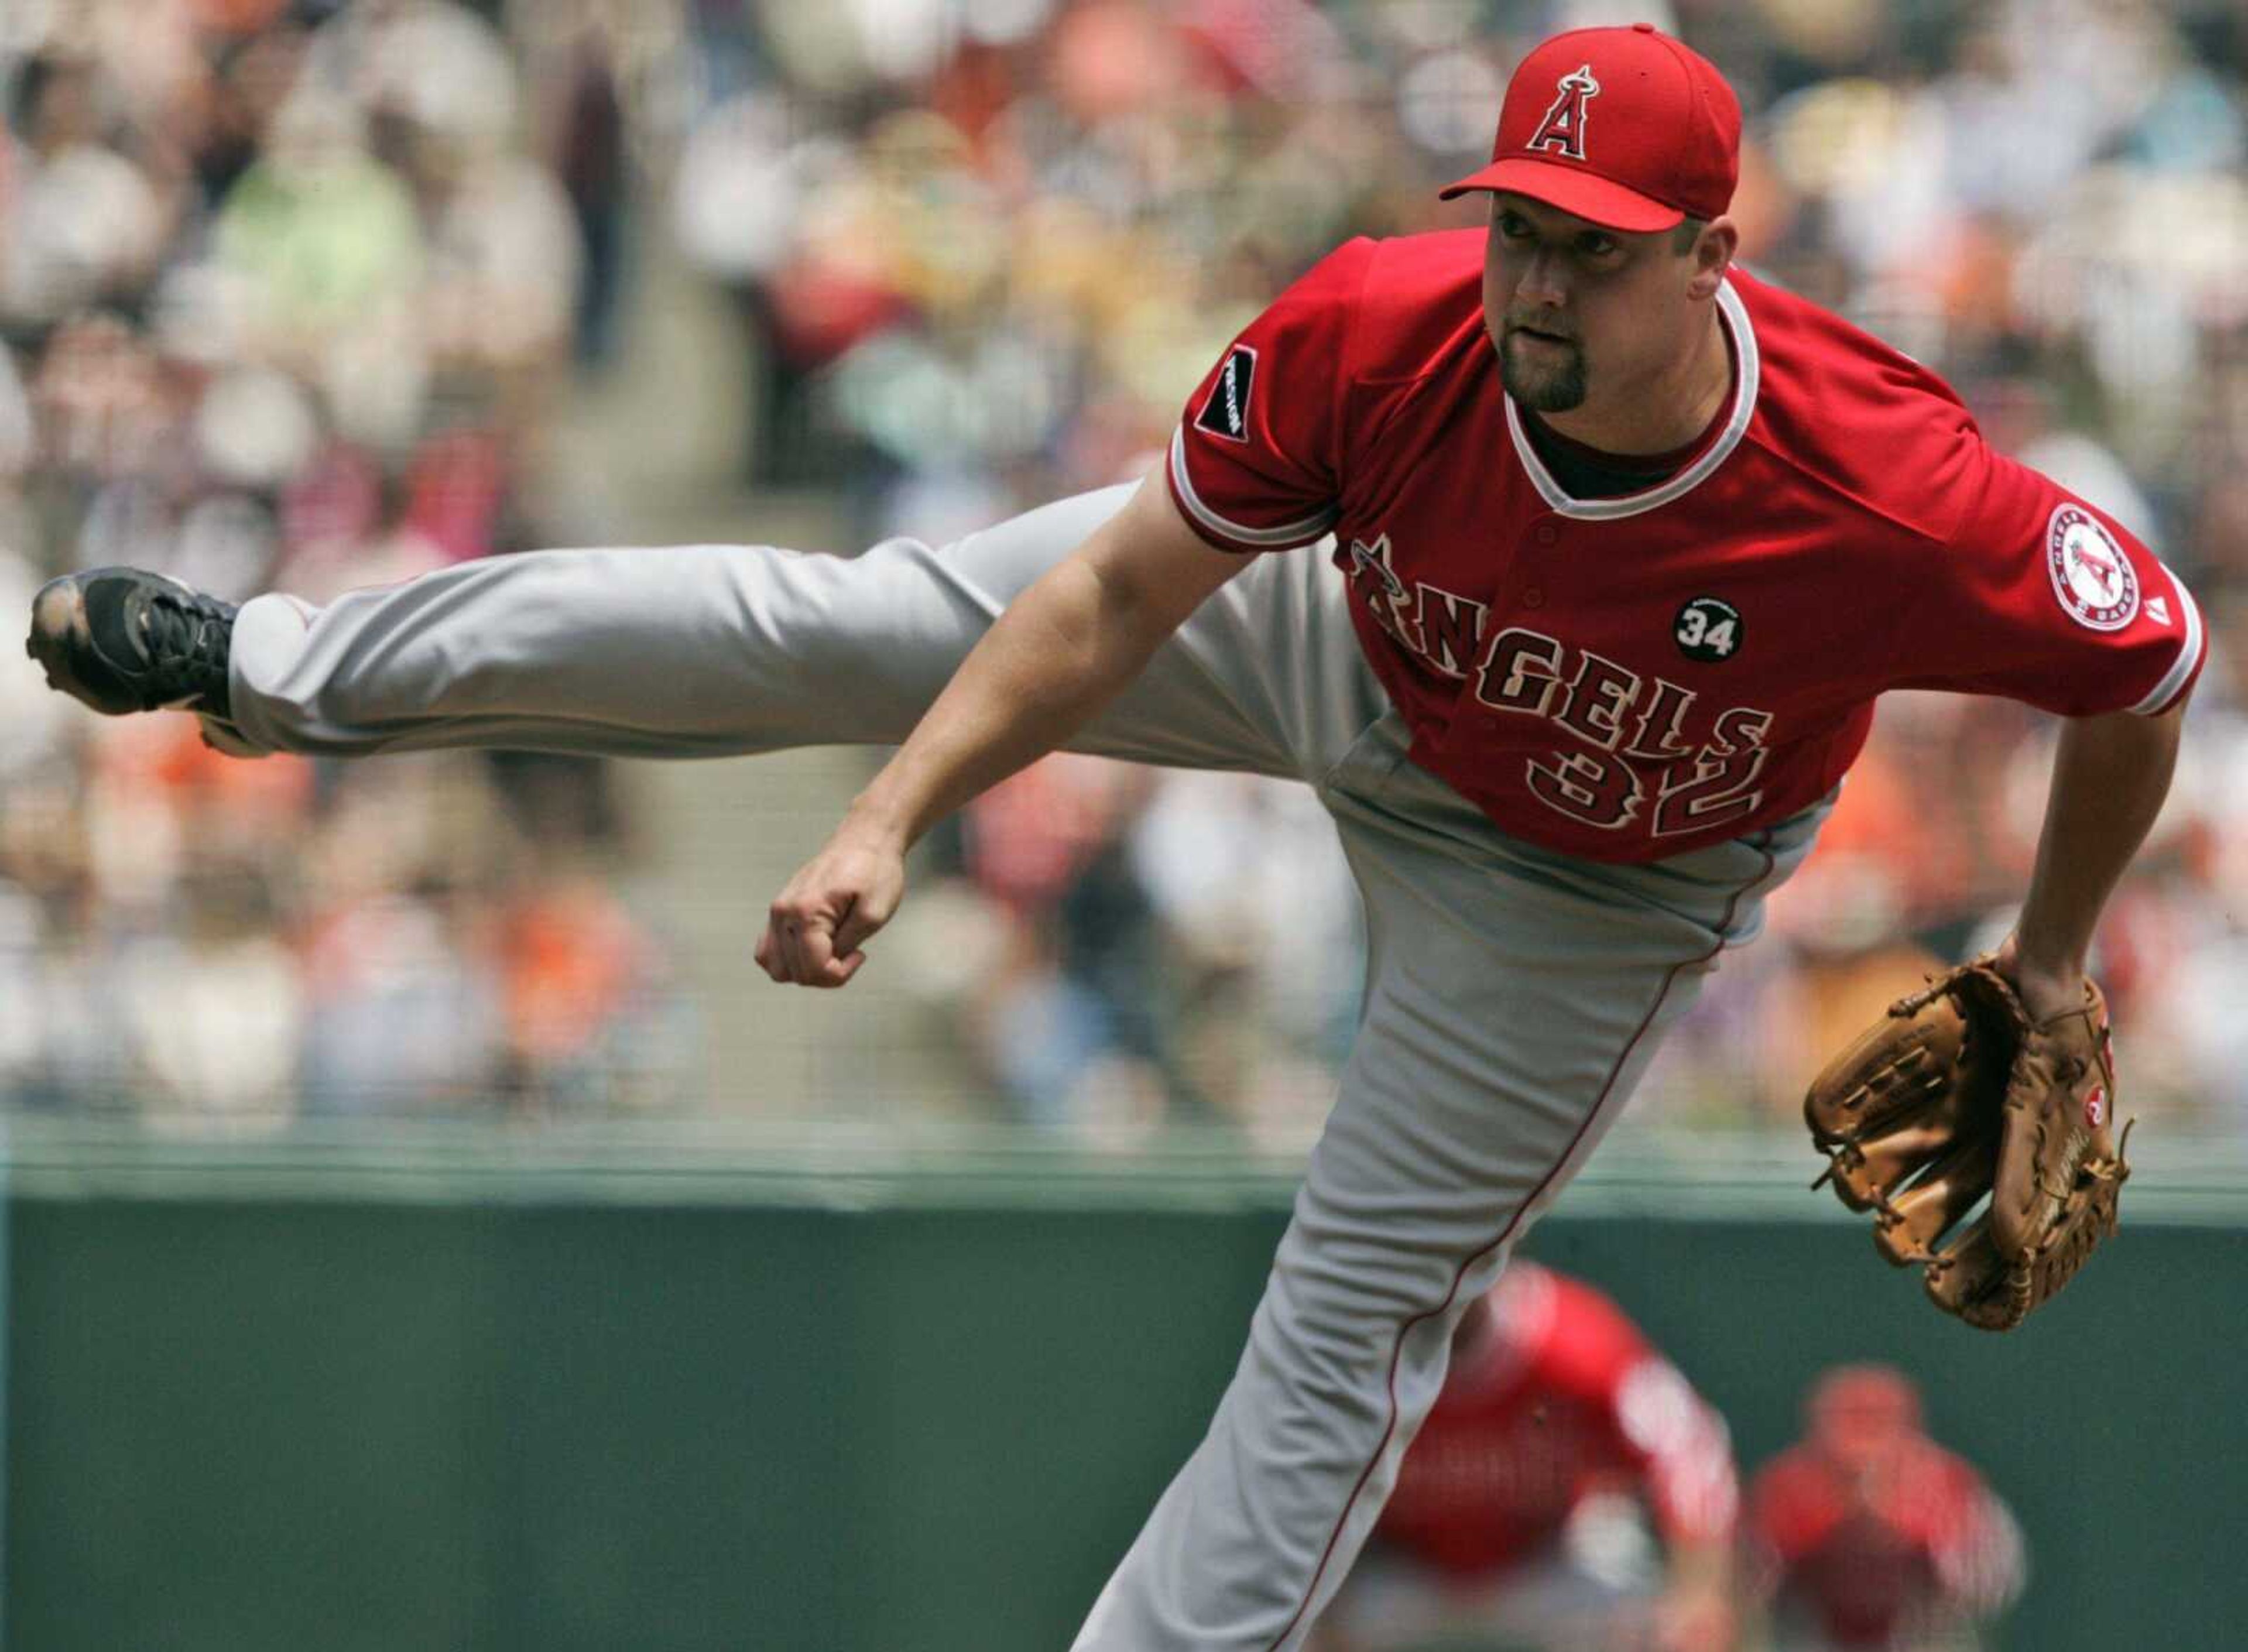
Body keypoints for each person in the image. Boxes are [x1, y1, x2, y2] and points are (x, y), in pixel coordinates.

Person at [23, 23, 2199, 1651]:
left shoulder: (1886, 485)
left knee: (1353, 1313)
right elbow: (1104, 598)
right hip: (1332, 636)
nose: (1538, 286)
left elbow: (2149, 660)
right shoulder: (1381, 327)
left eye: (1596, 255)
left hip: (1588, 880)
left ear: (1717, 254)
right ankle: (274, 653)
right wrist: (896, 815)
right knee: (859, 619)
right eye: (1518, 231)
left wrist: (2068, 948)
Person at [1313, 1262, 1738, 1652]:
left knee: (1652, 1618)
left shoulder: (1571, 1340)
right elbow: (1300, 1492)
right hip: (1404, 1573)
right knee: (1291, 1620)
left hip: (1549, 1561)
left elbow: (1687, 1449)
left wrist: (1698, 1594)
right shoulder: (1357, 1357)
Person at [1745, 1365, 2024, 1651]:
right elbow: (1748, 1595)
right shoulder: (1787, 1495)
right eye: (1847, 1468)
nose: (1862, 1480)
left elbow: (1989, 1592)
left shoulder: (1948, 1494)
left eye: (1878, 1465)